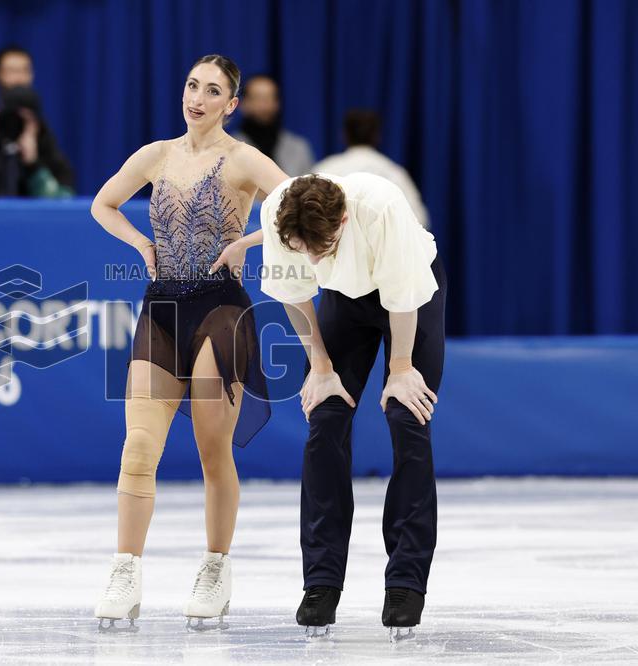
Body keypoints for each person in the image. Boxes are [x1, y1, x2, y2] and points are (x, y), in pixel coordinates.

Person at [90, 54, 287, 630]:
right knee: (138, 447)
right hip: (162, 306)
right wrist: (140, 246)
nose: (197, 98)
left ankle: (216, 567)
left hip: (221, 310)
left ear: (231, 104)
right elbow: (103, 204)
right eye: (192, 85)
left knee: (210, 450)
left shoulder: (244, 158)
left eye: (213, 91)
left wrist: (247, 242)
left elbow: (300, 202)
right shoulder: (156, 154)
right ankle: (125, 569)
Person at [214, 171, 444, 640]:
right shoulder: (280, 215)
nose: (315, 258)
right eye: (306, 250)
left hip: (410, 295)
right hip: (345, 301)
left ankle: (405, 583)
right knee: (326, 418)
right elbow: (297, 296)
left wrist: (400, 369)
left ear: (342, 218)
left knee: (407, 415)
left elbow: (403, 295)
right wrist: (319, 364)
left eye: (325, 247)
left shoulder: (381, 209)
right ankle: (321, 583)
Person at [0, 46, 74, 197]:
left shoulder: (38, 129)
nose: (19, 79)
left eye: (24, 71)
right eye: (11, 71)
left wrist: (32, 163)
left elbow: (65, 195)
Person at [312, 110, 430, 228]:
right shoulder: (394, 173)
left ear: (344, 135)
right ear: (377, 136)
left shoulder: (323, 171)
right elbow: (418, 221)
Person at [232, 74, 314, 177]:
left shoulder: (298, 148)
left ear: (277, 104)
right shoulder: (229, 148)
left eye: (270, 98)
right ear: (243, 104)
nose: (264, 105)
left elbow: (308, 189)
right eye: (257, 98)